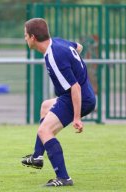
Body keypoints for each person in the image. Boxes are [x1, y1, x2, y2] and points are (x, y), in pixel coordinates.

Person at [22, 18, 96, 187]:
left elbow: (75, 87)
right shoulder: (57, 42)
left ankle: (63, 178)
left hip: (78, 99)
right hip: (78, 96)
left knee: (45, 130)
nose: (25, 39)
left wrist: (77, 117)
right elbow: (78, 47)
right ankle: (37, 156)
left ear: (33, 37)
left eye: (25, 36)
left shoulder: (54, 56)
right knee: (45, 106)